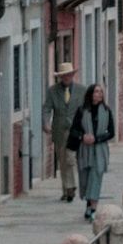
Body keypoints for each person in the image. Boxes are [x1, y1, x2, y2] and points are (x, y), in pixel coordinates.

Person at [67, 81, 115, 221]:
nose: (99, 94)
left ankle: (93, 208)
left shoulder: (107, 111)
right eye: (96, 91)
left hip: (100, 150)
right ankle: (89, 205)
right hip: (84, 150)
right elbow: (74, 130)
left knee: (96, 176)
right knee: (86, 179)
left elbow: (111, 132)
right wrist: (83, 137)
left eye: (101, 92)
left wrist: (97, 139)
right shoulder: (82, 111)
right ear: (90, 94)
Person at [44, 61, 81, 201]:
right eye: (64, 76)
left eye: (69, 75)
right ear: (60, 77)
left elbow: (86, 110)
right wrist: (46, 123)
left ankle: (70, 188)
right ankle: (66, 190)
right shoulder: (52, 91)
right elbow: (47, 108)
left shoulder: (81, 90)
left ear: (72, 75)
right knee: (62, 160)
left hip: (75, 130)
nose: (66, 78)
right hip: (59, 130)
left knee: (70, 159)